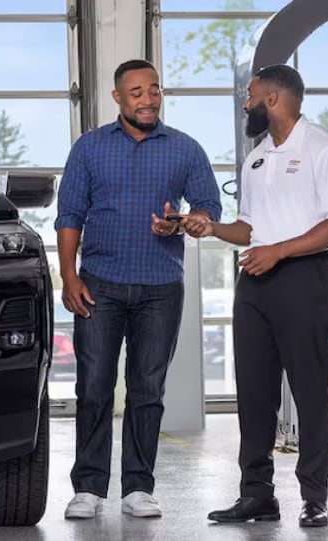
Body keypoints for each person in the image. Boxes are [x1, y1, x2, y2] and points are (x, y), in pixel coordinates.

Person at [182, 64, 328, 528]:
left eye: (251, 95)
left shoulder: (324, 148)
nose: (246, 103)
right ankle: (257, 494)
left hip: (306, 279)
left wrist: (279, 251)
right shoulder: (256, 157)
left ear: (274, 99)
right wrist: (211, 227)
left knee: (309, 391)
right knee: (255, 393)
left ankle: (314, 497)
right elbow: (249, 229)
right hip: (255, 283)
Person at [55, 59, 222, 519]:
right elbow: (69, 215)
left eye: (154, 90)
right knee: (93, 387)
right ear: (117, 98)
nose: (148, 99)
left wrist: (185, 224)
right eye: (136, 92)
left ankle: (138, 488)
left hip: (161, 289)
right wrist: (69, 277)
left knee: (147, 390)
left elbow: (209, 206)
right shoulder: (89, 149)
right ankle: (88, 487)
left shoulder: (185, 150)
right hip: (99, 287)